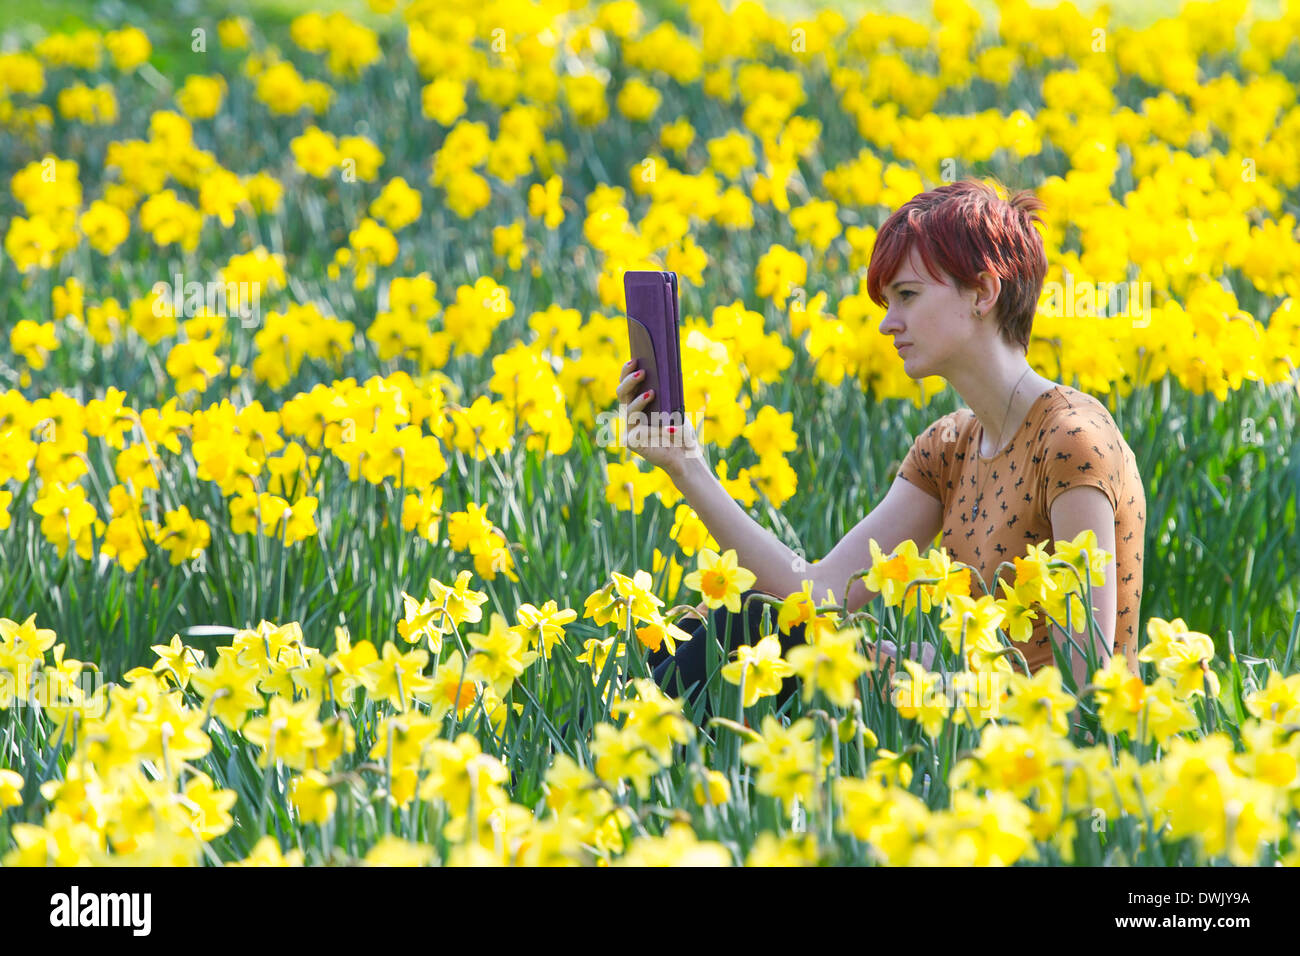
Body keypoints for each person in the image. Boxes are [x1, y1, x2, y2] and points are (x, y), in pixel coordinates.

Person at [615, 179, 1145, 712]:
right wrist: (684, 465)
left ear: (984, 292)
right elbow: (818, 593)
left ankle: (610, 765)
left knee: (747, 640)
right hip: (956, 723)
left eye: (907, 296)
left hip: (1042, 762)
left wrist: (935, 683)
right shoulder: (949, 447)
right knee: (744, 623)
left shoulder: (1072, 440)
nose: (889, 323)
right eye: (887, 301)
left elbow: (1087, 689)